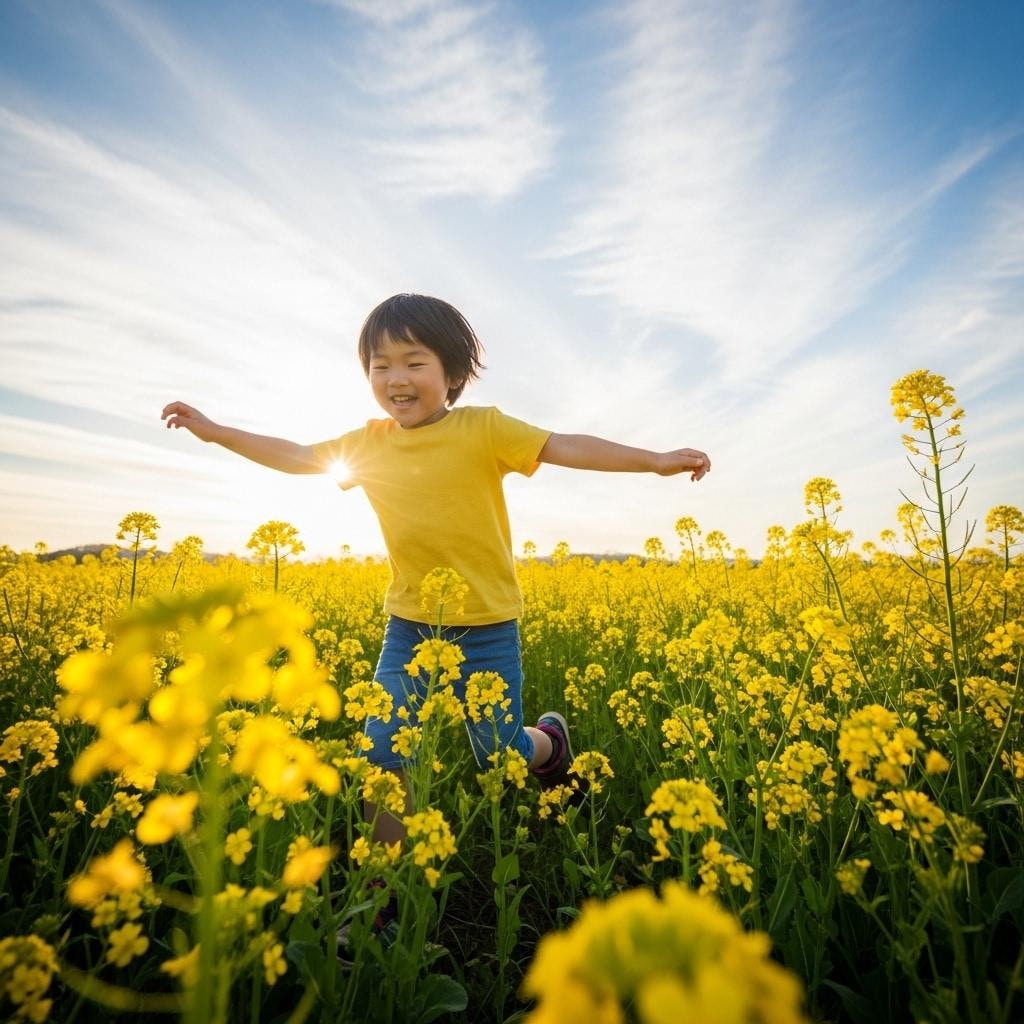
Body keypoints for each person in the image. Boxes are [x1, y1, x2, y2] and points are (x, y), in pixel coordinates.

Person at [162, 291, 710, 871]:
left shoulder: (484, 428)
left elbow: (565, 446)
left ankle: (550, 743)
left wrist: (654, 460)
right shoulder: (367, 444)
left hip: (488, 626)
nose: (396, 378)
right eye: (380, 365)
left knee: (499, 755)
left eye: (414, 362)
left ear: (452, 375)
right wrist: (216, 432)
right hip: (409, 627)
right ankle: (383, 887)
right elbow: (297, 455)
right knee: (380, 755)